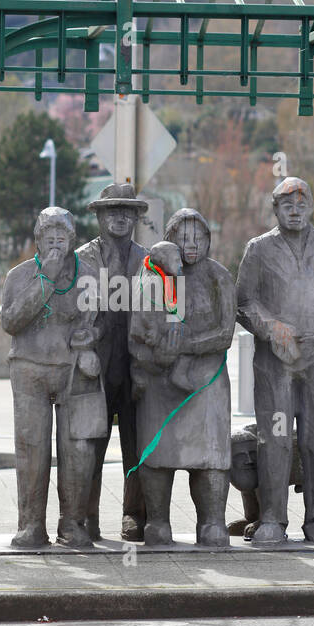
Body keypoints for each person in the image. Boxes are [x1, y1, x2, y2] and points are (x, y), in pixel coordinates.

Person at [236, 177, 314, 545]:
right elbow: (242, 302)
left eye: (301, 204)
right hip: (275, 363)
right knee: (274, 437)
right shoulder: (258, 249)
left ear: (312, 208)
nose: (294, 210)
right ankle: (272, 517)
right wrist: (271, 327)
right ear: (275, 210)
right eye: (286, 205)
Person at [127, 209, 234, 546]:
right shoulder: (152, 277)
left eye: (200, 237)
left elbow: (225, 333)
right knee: (159, 455)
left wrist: (185, 346)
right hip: (159, 378)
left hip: (206, 378)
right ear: (169, 240)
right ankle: (158, 522)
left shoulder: (219, 277)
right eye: (184, 237)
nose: (192, 244)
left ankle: (212, 521)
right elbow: (137, 332)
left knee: (212, 455)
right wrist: (156, 353)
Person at [1, 208, 101, 548]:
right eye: (49, 238)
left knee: (78, 450)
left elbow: (94, 322)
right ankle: (31, 524)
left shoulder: (88, 275)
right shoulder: (20, 275)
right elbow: (12, 322)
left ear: (72, 241)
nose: (56, 244)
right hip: (30, 369)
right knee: (32, 449)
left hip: (73, 371)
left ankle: (72, 522)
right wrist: (46, 279)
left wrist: (87, 340)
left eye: (63, 238)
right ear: (38, 241)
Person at [76, 182, 148, 541]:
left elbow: (165, 313)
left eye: (127, 211)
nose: (119, 218)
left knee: (137, 446)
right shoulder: (82, 259)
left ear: (136, 217)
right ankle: (85, 516)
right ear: (100, 216)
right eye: (112, 211)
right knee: (90, 444)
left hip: (136, 368)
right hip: (95, 367)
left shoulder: (150, 261)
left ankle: (134, 515)